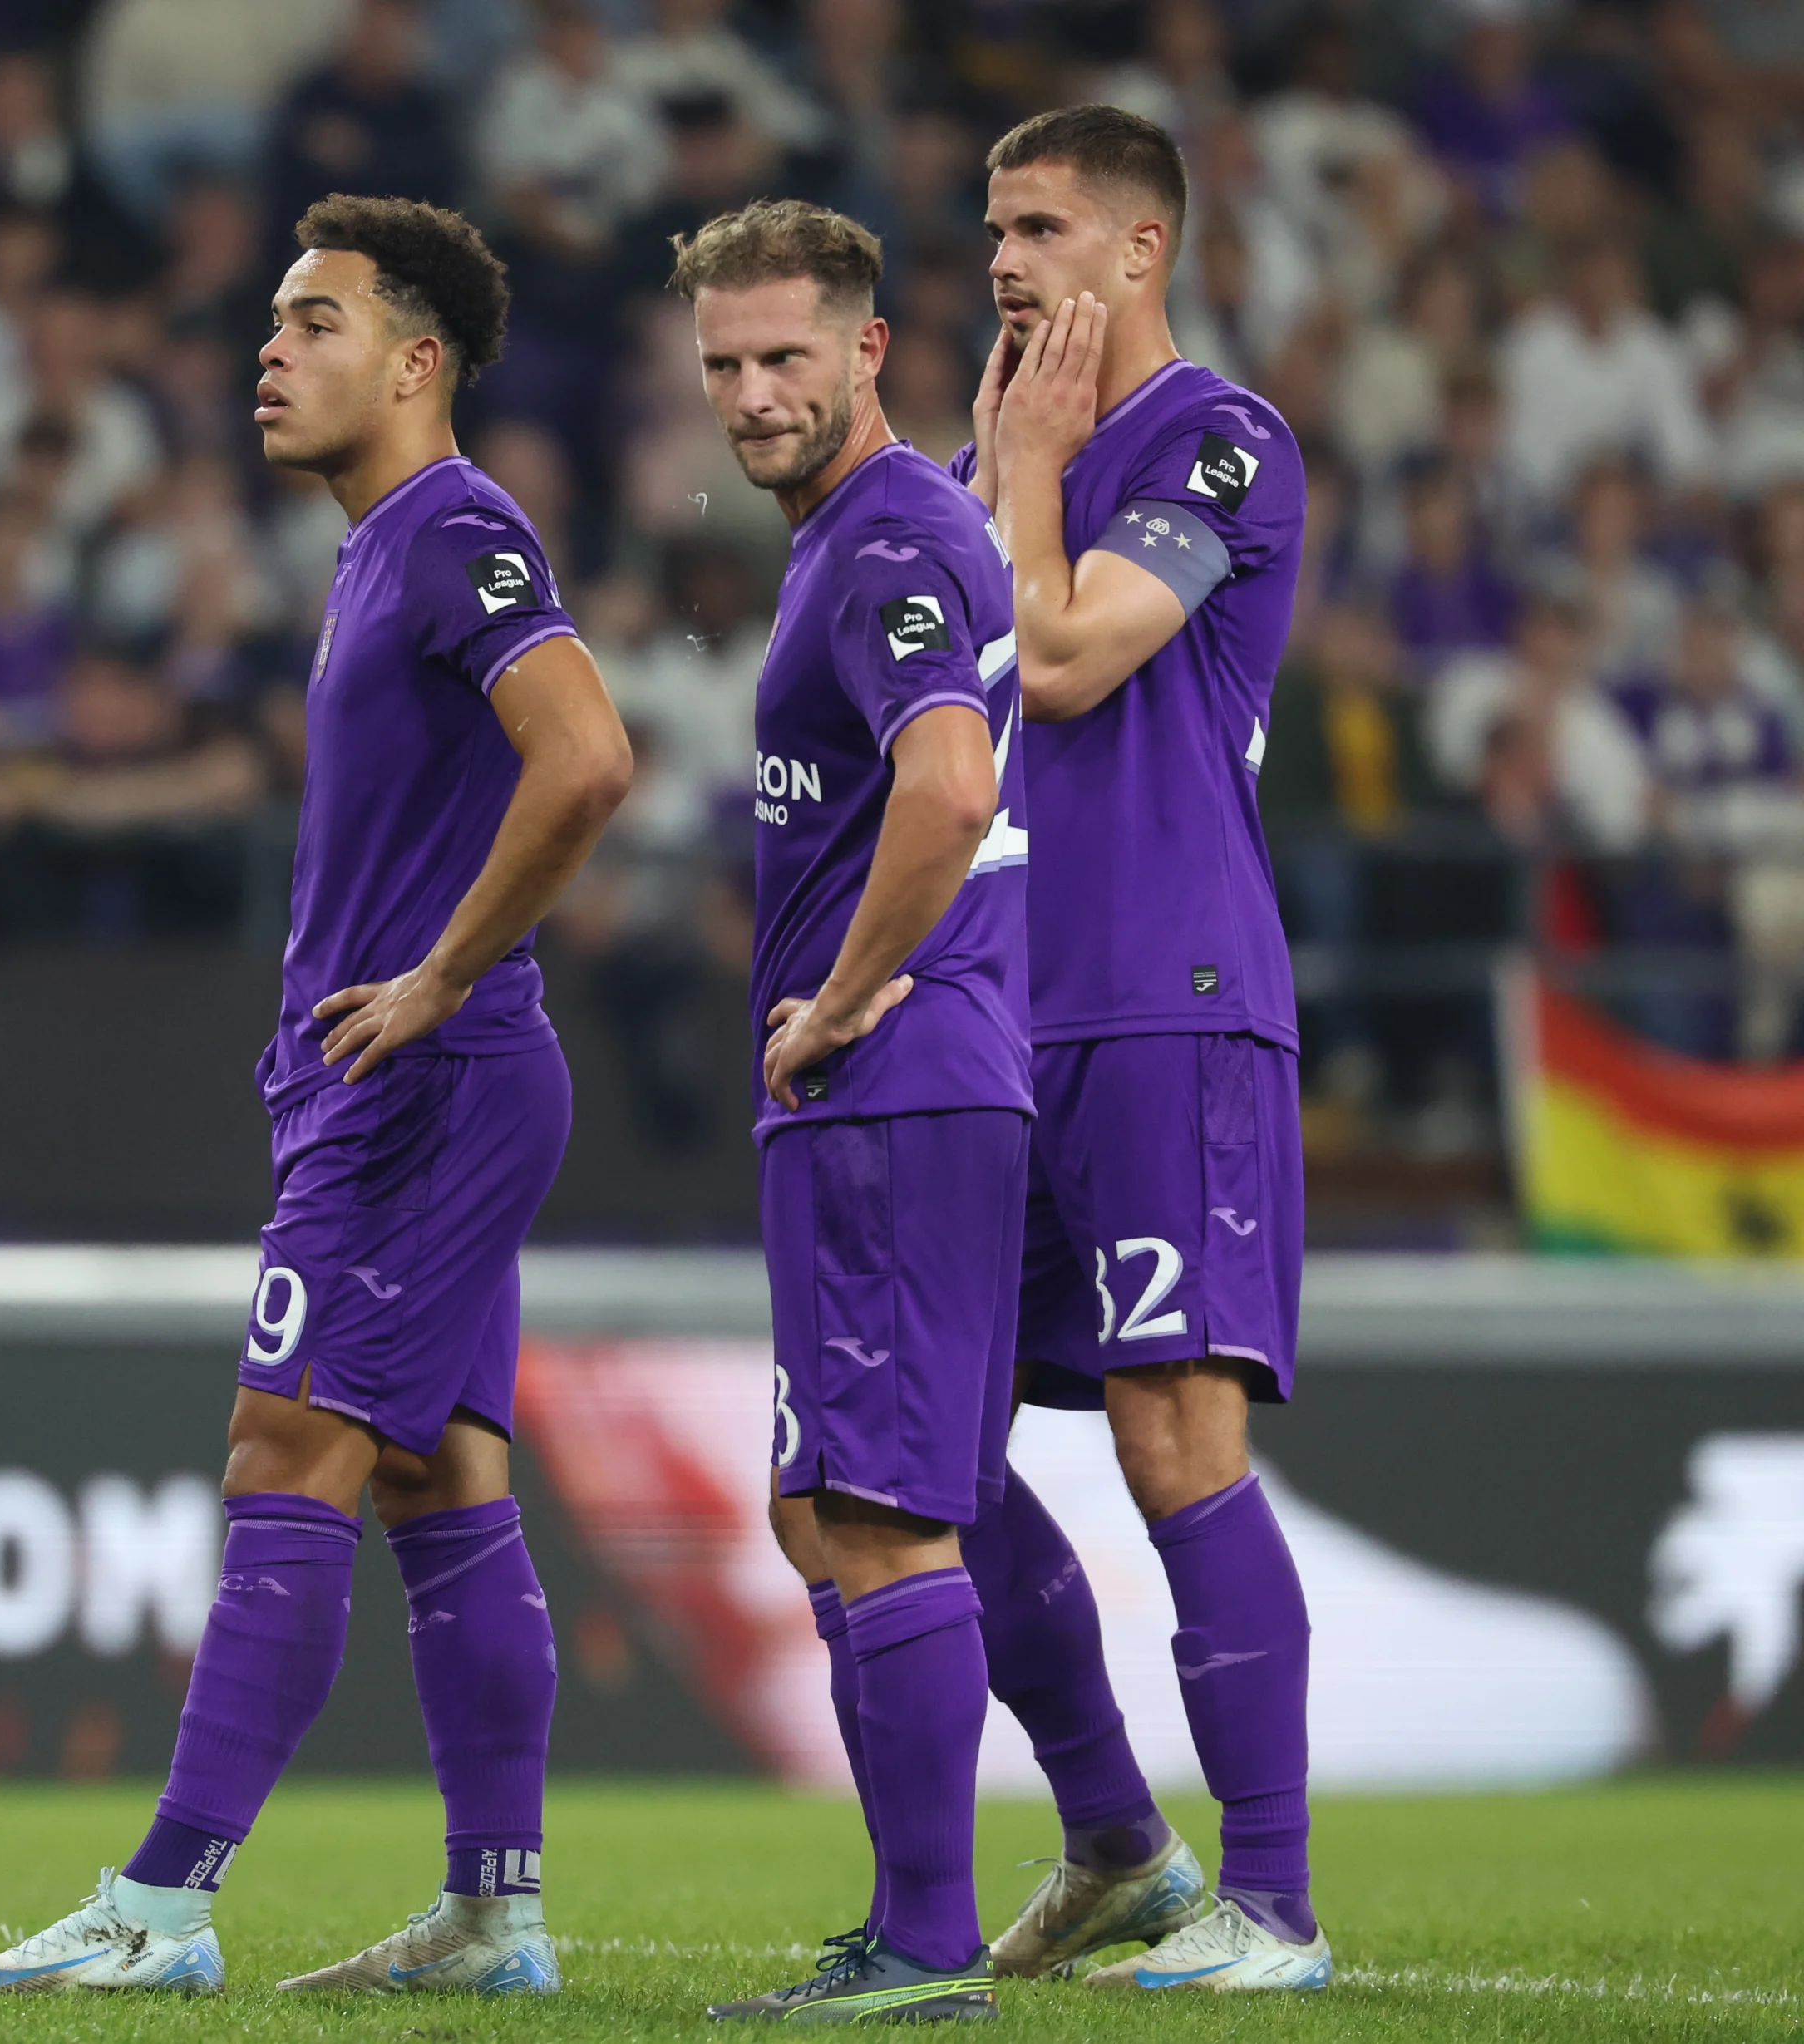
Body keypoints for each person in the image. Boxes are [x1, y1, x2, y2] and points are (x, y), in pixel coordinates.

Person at [0, 194, 630, 1997]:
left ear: (418, 361)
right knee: (443, 1481)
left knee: (286, 1446)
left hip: (425, 1080)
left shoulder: (455, 526)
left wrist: (441, 973)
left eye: (313, 321)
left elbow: (591, 755)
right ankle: (496, 1913)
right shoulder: (376, 547)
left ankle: (161, 1903)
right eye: (269, 320)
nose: (269, 349)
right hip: (424, 1079)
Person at [949, 105, 1328, 1992]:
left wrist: (1024, 474)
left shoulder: (1217, 438)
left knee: (1177, 1435)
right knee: (912, 1449)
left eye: (1041, 226)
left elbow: (1081, 648)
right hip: (988, 1020)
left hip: (1167, 1002)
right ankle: (1117, 1841)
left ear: (1141, 248)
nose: (1004, 260)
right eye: (993, 228)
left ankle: (1274, 1903)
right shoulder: (974, 460)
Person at [667, 200, 1024, 2025]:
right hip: (894, 1092)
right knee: (829, 1507)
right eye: (723, 362)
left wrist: (845, 986)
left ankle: (927, 1945)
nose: (751, 392)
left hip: (891, 1081)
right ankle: (917, 1918)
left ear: (872, 350)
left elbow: (949, 787)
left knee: (878, 1516)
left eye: (786, 354)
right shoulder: (850, 539)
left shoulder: (887, 535)